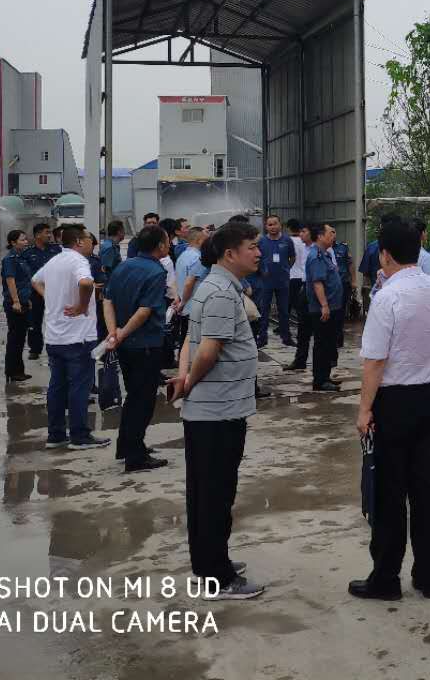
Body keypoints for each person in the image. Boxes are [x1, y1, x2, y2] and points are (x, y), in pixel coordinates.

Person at [349, 218, 430, 601]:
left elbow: (375, 361)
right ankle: (429, 577)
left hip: (394, 402)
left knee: (389, 493)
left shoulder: (387, 297)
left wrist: (364, 410)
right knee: (426, 488)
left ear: (384, 255)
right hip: (429, 397)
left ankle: (386, 578)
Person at [174, 220, 265, 600]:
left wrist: (184, 380)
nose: (258, 252)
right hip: (217, 411)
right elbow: (208, 351)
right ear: (230, 254)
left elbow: (189, 343)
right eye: (251, 246)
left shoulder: (213, 287)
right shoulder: (222, 294)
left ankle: (208, 561)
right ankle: (218, 577)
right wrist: (190, 383)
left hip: (213, 408)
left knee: (205, 493)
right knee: (215, 495)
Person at [31, 225, 107, 451]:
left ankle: (55, 435)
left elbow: (35, 280)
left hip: (54, 337)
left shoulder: (54, 261)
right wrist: (82, 306)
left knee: (57, 386)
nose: (92, 242)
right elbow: (86, 283)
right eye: (89, 238)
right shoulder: (79, 261)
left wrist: (51, 298)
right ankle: (79, 435)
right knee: (79, 387)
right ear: (79, 241)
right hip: (78, 337)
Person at [103, 223, 171, 473]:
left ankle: (128, 445)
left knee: (133, 396)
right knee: (142, 400)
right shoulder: (156, 271)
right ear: (160, 245)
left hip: (126, 345)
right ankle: (135, 456)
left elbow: (107, 300)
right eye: (167, 241)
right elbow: (144, 311)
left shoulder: (124, 266)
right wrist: (120, 334)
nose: (169, 244)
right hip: (145, 344)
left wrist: (114, 332)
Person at [292, 223, 343, 390]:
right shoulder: (316, 256)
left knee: (328, 343)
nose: (333, 236)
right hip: (323, 309)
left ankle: (325, 376)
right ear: (320, 236)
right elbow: (317, 283)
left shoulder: (325, 254)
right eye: (330, 233)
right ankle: (320, 381)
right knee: (322, 344)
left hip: (332, 306)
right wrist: (324, 305)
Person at [253, 215, 296, 349]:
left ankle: (286, 337)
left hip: (283, 281)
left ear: (280, 225)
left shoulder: (287, 240)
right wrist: (261, 270)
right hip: (265, 281)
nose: (272, 227)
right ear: (266, 227)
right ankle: (262, 338)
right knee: (264, 310)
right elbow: (256, 257)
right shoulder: (262, 241)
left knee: (284, 310)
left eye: (275, 224)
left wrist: (286, 269)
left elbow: (292, 257)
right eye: (269, 225)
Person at [1, 229, 34, 382]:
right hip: (15, 304)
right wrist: (15, 301)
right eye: (22, 240)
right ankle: (12, 371)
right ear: (13, 243)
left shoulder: (21, 257)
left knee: (21, 338)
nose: (26, 242)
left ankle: (19, 370)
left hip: (23, 301)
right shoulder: (10, 259)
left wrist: (27, 299)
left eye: (26, 239)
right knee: (15, 338)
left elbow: (25, 281)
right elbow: (10, 280)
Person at [21, 222, 55, 360]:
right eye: (47, 232)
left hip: (54, 292)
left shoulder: (56, 250)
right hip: (34, 293)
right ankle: (35, 349)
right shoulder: (27, 253)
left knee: (56, 320)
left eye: (50, 232)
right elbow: (25, 276)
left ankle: (55, 348)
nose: (49, 235)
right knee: (34, 321)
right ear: (37, 235)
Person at [99, 221, 125, 286]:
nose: (124, 233)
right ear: (119, 232)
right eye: (123, 230)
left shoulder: (111, 245)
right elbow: (105, 270)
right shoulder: (110, 247)